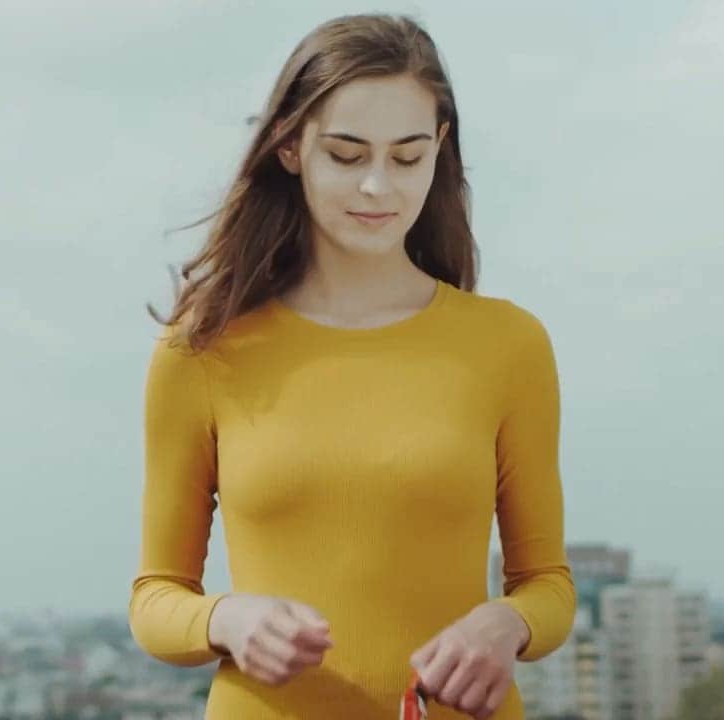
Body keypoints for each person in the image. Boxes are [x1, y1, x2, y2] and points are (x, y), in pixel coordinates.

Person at [128, 12, 575, 719]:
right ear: (289, 146)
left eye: (408, 158)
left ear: (440, 150)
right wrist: (228, 619)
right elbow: (155, 598)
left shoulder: (509, 345)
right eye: (345, 154)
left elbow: (548, 584)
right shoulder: (203, 348)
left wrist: (506, 623)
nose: (377, 187)